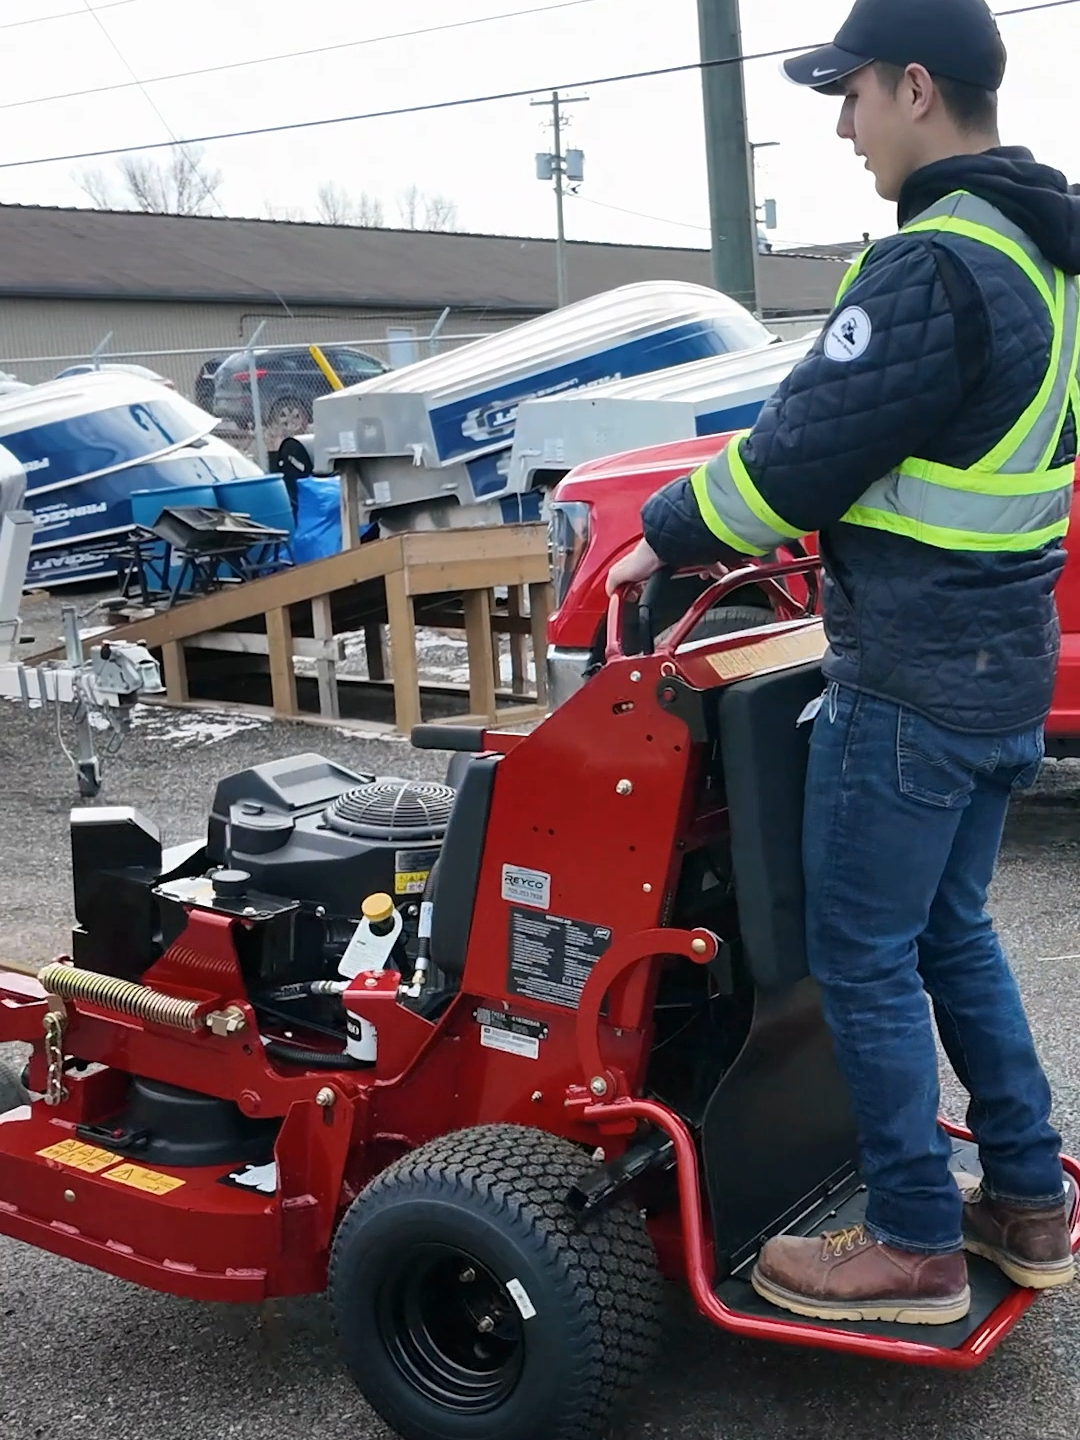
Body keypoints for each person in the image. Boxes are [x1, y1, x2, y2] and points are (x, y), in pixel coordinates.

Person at [608, 0, 1079, 1324]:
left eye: (852, 92)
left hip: (914, 678)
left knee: (861, 952)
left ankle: (918, 1243)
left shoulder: (936, 264)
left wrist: (660, 538)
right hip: (1000, 667)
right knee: (949, 928)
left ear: (916, 87)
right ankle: (1028, 1201)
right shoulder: (1048, 256)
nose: (841, 122)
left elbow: (801, 451)